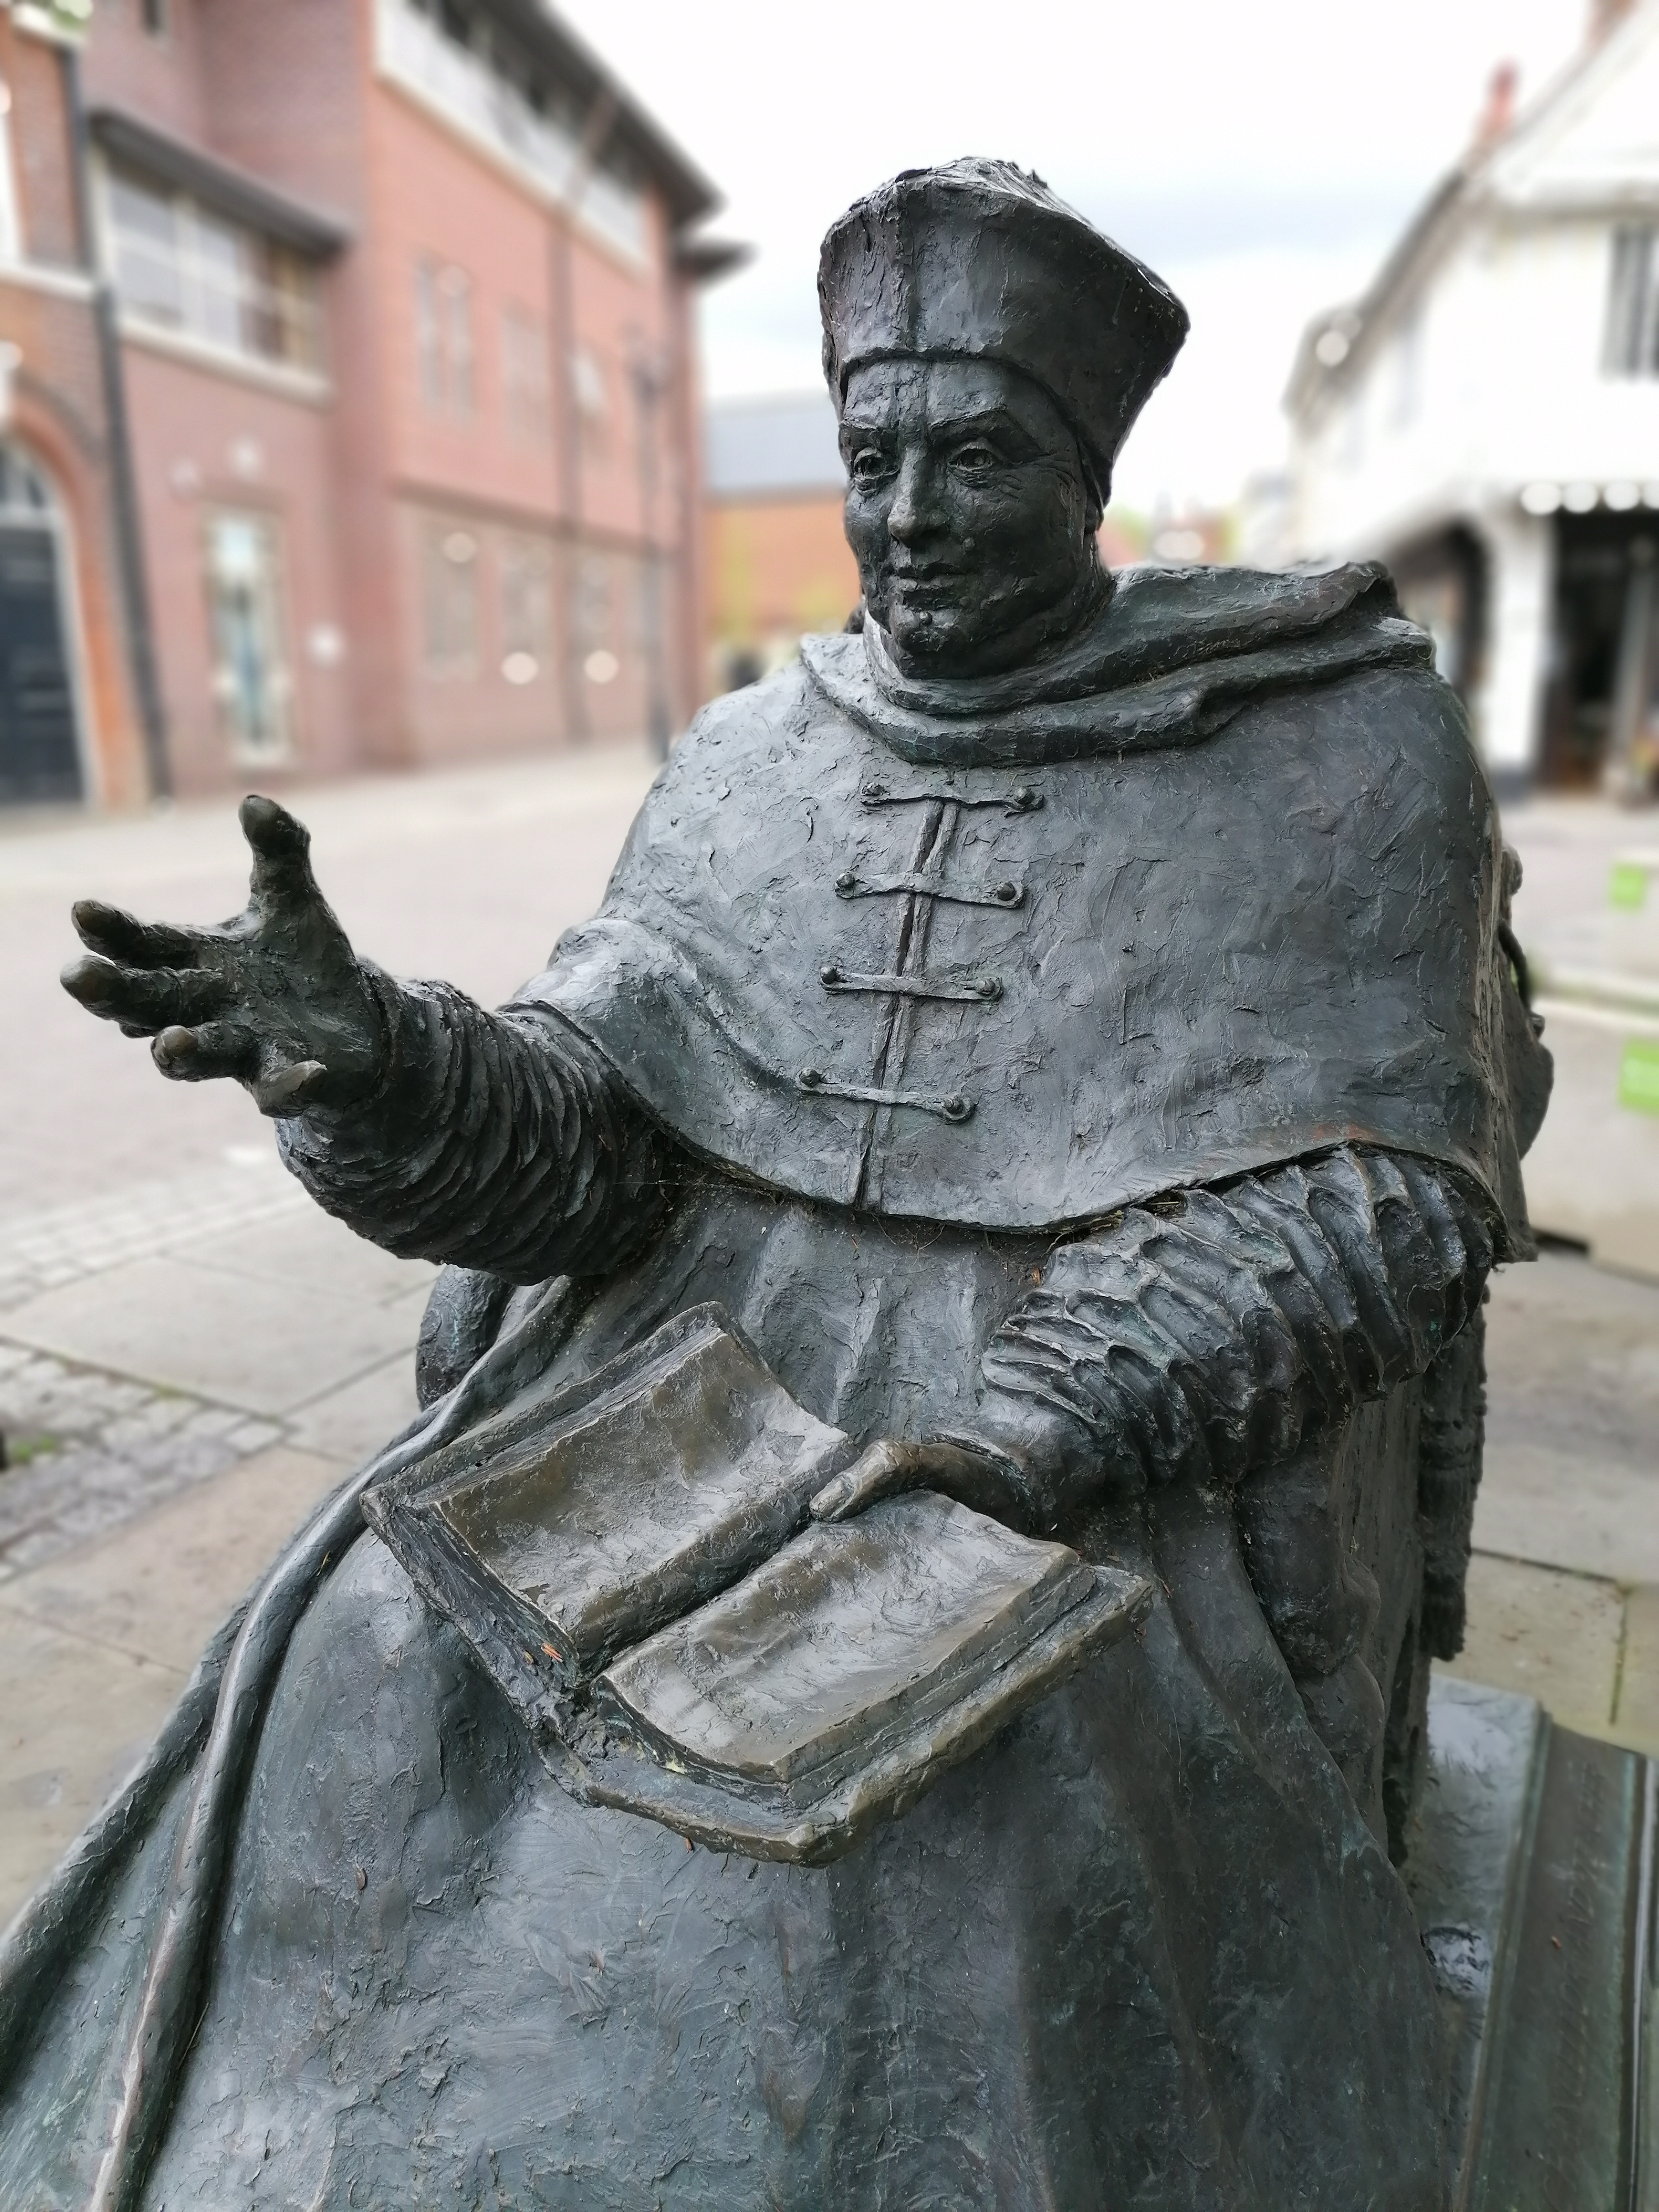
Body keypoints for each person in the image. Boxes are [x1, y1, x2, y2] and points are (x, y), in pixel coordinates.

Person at [6, 160, 1548, 2211]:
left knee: (957, 1826)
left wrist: (1030, 1434)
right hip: (678, 1381)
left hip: (1103, 1426)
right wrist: (372, 1056)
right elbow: (586, 1144)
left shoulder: (1333, 740)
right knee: (374, 1660)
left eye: (980, 458)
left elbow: (1378, 1197)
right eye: (873, 456)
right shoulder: (756, 751)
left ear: (1087, 469)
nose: (910, 517)